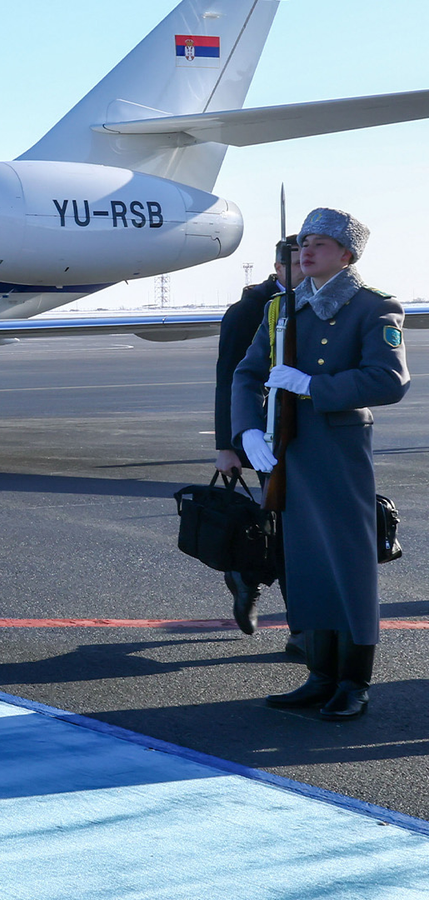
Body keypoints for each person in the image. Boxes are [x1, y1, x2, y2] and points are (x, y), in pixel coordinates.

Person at [233, 208, 409, 722]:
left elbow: (389, 380)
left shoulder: (373, 307)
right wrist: (247, 431)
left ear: (347, 254)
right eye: (303, 242)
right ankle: (320, 673)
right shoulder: (282, 308)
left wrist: (314, 387)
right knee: (307, 562)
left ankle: (354, 681)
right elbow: (247, 373)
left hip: (338, 447)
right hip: (289, 448)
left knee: (348, 564)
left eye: (320, 244)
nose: (305, 251)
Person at [215, 237, 301, 642]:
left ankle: (300, 626)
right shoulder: (251, 309)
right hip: (260, 439)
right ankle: (248, 580)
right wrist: (227, 445)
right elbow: (230, 380)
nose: (306, 270)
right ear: (279, 267)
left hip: (302, 438)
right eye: (298, 264)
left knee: (291, 536)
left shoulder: (314, 303)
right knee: (277, 533)